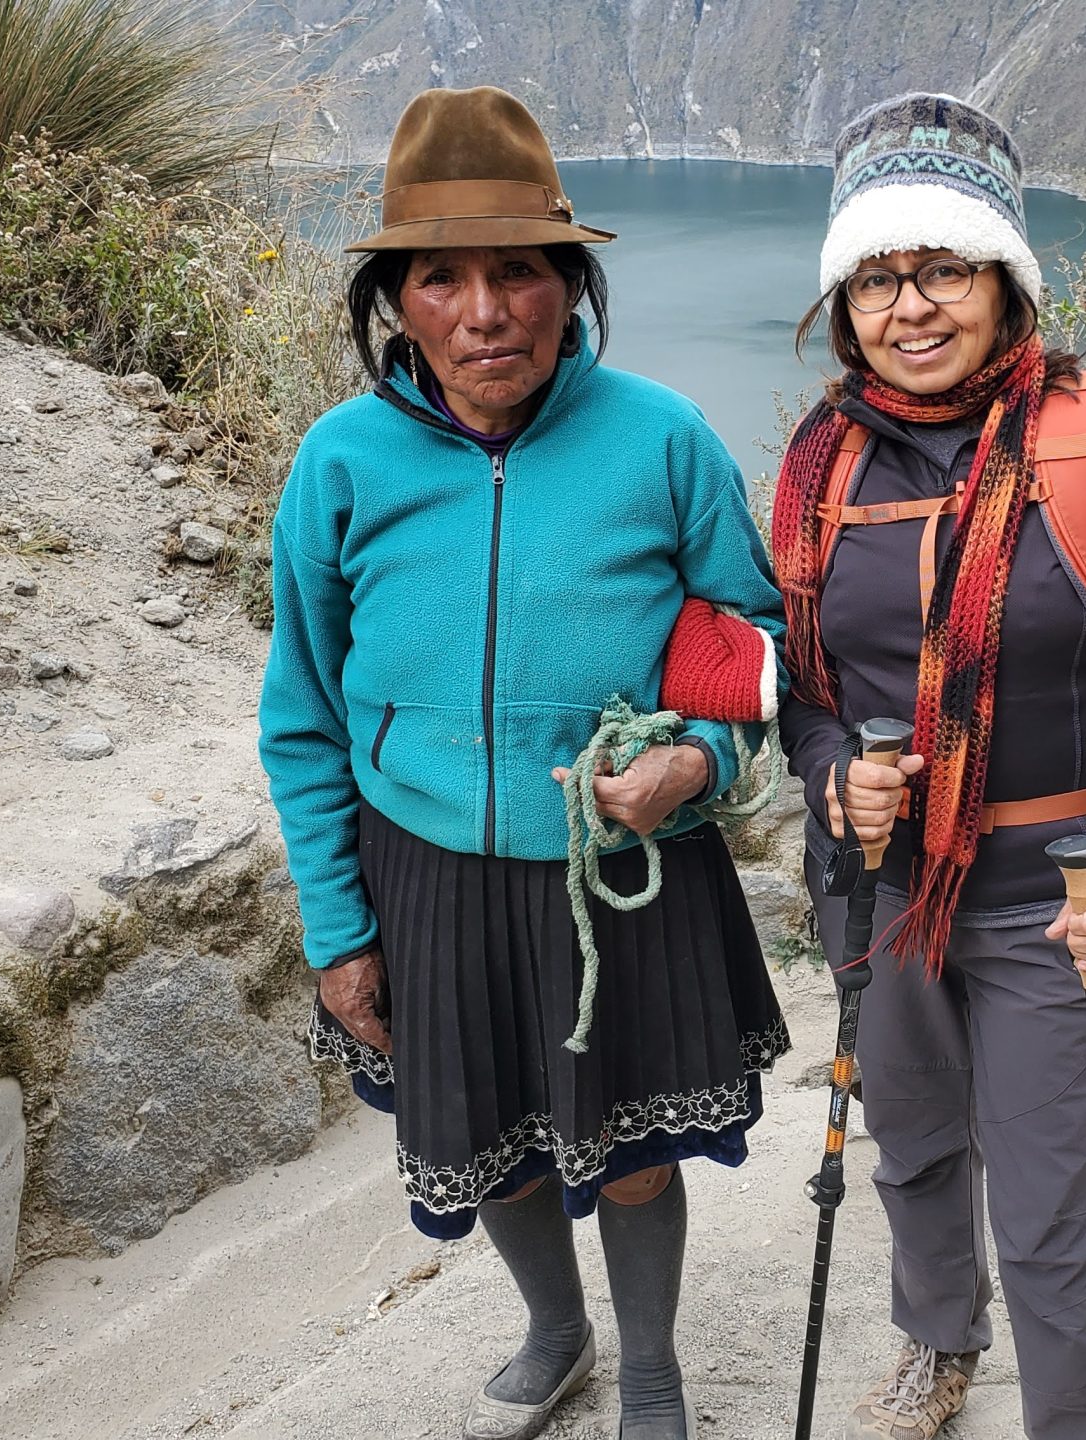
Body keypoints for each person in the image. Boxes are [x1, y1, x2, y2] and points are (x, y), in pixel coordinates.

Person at [258, 86, 788, 1440]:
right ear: (397, 299)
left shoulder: (663, 442)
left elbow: (756, 645)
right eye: (443, 277)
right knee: (485, 1142)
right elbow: (303, 712)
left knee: (630, 1157)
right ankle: (555, 1333)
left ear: (570, 285)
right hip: (425, 871)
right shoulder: (340, 465)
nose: (485, 314)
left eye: (518, 273)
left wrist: (699, 765)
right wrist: (337, 925)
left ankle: (653, 1369)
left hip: (620, 873)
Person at [772, 93, 1086, 1440]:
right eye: (877, 276)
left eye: (943, 267)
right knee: (911, 1152)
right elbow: (805, 691)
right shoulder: (817, 465)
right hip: (883, 888)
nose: (911, 307)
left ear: (1004, 277)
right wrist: (830, 772)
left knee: (1048, 1214)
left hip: (1051, 895)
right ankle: (936, 1344)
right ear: (843, 299)